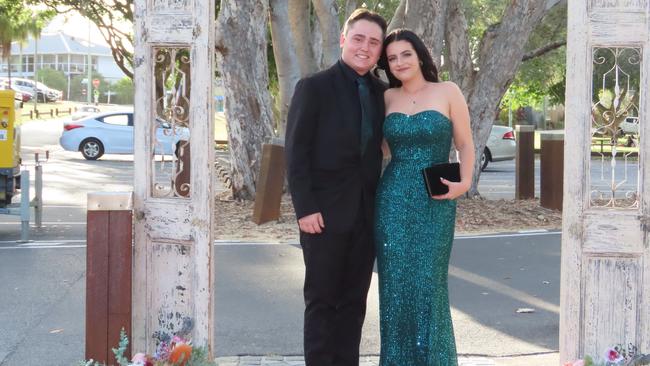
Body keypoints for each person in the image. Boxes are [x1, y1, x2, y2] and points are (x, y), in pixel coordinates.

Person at [284, 8, 388, 366]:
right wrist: (305, 208)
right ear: (344, 39)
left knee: (354, 304)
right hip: (322, 216)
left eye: (374, 42)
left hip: (366, 216)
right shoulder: (313, 87)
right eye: (359, 38)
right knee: (322, 302)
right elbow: (296, 153)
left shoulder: (382, 93)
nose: (365, 47)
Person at [374, 29, 475, 365]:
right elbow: (379, 147)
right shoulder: (387, 98)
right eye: (392, 58)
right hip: (391, 200)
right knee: (396, 287)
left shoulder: (448, 91)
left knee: (429, 285)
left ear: (419, 56)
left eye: (405, 54)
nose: (399, 62)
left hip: (436, 199)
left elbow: (465, 144)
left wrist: (463, 182)